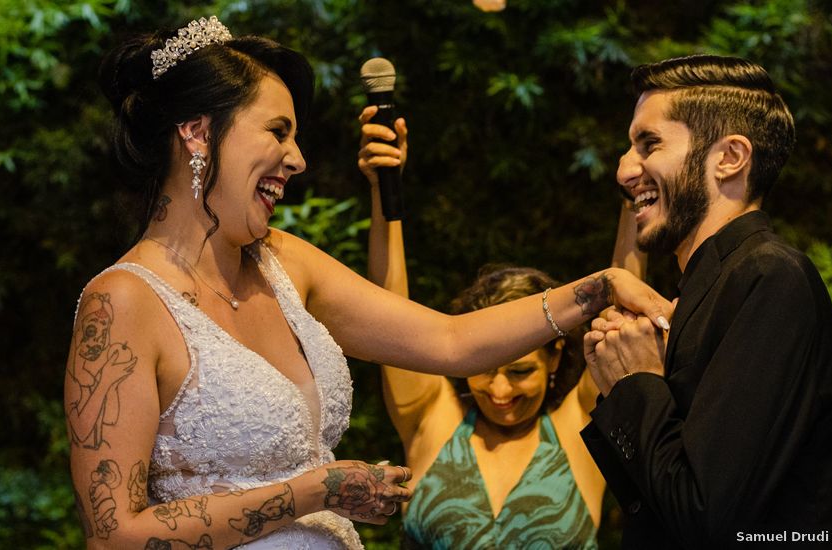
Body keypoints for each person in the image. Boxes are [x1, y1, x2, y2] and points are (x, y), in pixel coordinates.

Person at [65, 16, 671, 549]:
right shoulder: (122, 303)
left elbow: (450, 342)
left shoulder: (284, 262)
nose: (298, 159)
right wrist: (314, 491)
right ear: (197, 132)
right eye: (278, 132)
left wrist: (600, 287)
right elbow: (115, 535)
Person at [580, 55, 832, 548]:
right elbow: (656, 503)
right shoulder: (707, 287)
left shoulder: (770, 277)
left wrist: (635, 383)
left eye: (649, 144)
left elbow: (706, 517)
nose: (624, 170)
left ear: (729, 157)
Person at [358, 106, 647, 548]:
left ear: (555, 357)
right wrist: (384, 190)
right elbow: (387, 311)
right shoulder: (430, 420)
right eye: (486, 368)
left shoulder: (578, 431)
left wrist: (633, 202)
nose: (500, 391)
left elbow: (621, 304)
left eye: (519, 371)